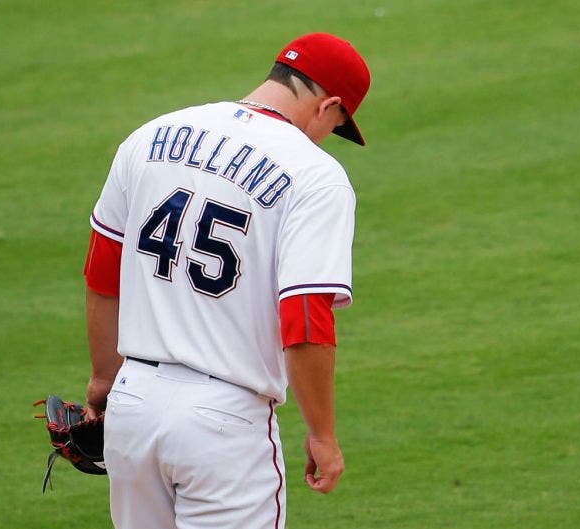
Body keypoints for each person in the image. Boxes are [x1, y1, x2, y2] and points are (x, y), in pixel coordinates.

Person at [81, 32, 371, 529]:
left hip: (132, 406)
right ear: (331, 106)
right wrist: (322, 433)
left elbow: (103, 271)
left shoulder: (153, 134)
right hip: (222, 424)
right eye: (337, 126)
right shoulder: (315, 176)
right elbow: (303, 317)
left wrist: (105, 380)